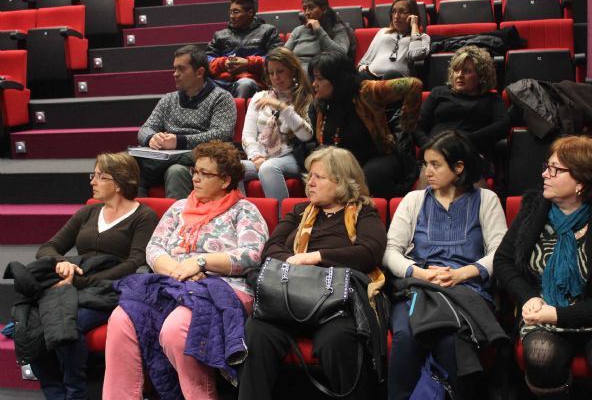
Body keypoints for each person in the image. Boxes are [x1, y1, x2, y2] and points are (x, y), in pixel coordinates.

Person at [103, 140, 269, 400]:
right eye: (195, 171)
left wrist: (201, 262)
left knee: (176, 329)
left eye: (205, 173)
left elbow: (252, 254)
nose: (196, 178)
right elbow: (155, 248)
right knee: (122, 319)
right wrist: (180, 269)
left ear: (226, 180)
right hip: (174, 282)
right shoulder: (179, 208)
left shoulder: (244, 210)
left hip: (223, 287)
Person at [494, 136, 592, 400]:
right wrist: (529, 297)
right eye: (546, 166)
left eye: (555, 169)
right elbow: (503, 262)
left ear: (581, 181)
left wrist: (559, 316)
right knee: (541, 354)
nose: (544, 174)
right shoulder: (532, 211)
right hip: (543, 307)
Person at [238, 146, 387, 400]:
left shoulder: (363, 212)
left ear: (341, 182)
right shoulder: (299, 212)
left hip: (334, 304)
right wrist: (296, 263)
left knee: (337, 340)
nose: (310, 183)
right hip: (289, 296)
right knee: (257, 332)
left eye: (319, 177)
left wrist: (316, 258)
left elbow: (369, 252)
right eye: (310, 175)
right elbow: (271, 249)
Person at [23, 152, 158, 400]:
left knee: (66, 326)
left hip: (111, 289)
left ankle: (76, 392)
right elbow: (48, 247)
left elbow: (134, 263)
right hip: (72, 285)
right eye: (92, 175)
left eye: (99, 176)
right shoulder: (88, 213)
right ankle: (55, 392)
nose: (92, 182)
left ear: (118, 183)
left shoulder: (143, 216)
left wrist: (81, 281)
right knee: (30, 327)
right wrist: (64, 264)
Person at [384, 131, 508, 400]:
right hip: (418, 287)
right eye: (425, 164)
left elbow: (500, 253)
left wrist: (462, 273)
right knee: (405, 336)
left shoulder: (486, 200)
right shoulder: (414, 200)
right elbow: (390, 252)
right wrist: (422, 273)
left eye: (435, 164)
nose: (427, 171)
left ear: (459, 167)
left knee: (451, 341)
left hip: (468, 289)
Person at [308, 51, 422, 199]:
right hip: (341, 163)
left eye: (319, 79)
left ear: (337, 79)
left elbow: (414, 85)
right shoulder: (320, 103)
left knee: (371, 175)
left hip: (376, 156)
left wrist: (406, 127)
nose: (314, 84)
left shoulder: (366, 91)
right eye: (313, 78)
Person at [137, 44, 237, 199]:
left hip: (199, 157)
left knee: (175, 170)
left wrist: (179, 141)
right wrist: (152, 138)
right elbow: (146, 128)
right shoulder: (168, 99)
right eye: (174, 69)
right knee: (127, 166)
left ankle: (179, 222)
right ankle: (139, 217)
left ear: (200, 72)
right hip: (166, 152)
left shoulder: (221, 98)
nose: (175, 74)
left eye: (181, 69)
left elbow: (221, 134)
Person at [413, 45, 509, 187]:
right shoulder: (438, 93)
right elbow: (417, 126)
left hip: (471, 152)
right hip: (437, 152)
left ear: (481, 76)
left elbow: (502, 125)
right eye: (456, 70)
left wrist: (465, 141)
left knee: (471, 185)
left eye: (467, 71)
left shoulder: (491, 99)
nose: (459, 75)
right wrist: (431, 146)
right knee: (428, 182)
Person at [241, 47, 314, 206]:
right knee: (231, 168)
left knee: (268, 168)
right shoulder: (259, 97)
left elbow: (306, 135)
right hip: (261, 156)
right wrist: (255, 156)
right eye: (271, 72)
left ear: (293, 71)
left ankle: (284, 220)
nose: (275, 77)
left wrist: (283, 107)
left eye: (280, 71)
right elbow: (248, 135)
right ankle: (244, 214)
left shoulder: (305, 97)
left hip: (291, 156)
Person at [207, 0, 283, 98]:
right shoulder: (220, 35)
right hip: (222, 80)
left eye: (236, 12)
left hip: (251, 80)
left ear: (250, 13)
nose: (232, 16)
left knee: (244, 85)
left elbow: (277, 59)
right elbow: (206, 59)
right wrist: (223, 62)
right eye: (230, 12)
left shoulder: (268, 31)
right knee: (196, 84)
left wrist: (248, 63)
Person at [358, 0, 430, 80]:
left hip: (398, 80)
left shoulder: (423, 37)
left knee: (390, 74)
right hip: (372, 79)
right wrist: (363, 68)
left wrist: (414, 25)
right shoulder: (383, 32)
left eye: (402, 11)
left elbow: (416, 54)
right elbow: (364, 62)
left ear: (412, 15)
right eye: (394, 11)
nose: (396, 16)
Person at [285, 0, 355, 71]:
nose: (307, 12)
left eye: (311, 8)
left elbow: (341, 56)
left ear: (324, 9)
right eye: (304, 9)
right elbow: (283, 55)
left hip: (321, 74)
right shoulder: (298, 30)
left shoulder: (337, 29)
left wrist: (318, 30)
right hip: (296, 73)